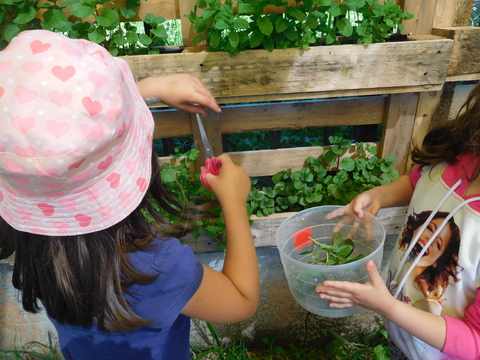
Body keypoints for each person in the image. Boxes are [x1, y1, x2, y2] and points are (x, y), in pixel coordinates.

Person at [0, 30, 259, 360]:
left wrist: (149, 88)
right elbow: (241, 300)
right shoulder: (153, 267)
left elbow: (54, 140)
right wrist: (234, 201)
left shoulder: (32, 241)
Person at [316, 81, 480, 360]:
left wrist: (388, 307)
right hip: (402, 333)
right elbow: (420, 182)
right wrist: (379, 195)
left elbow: (475, 342)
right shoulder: (458, 156)